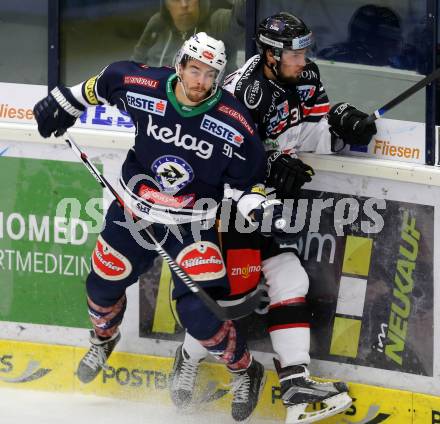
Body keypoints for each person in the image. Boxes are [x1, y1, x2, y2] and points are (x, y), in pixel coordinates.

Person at [32, 32, 297, 422]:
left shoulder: (234, 122)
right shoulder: (144, 86)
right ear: (180, 65)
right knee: (103, 282)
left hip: (191, 223)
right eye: (194, 70)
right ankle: (104, 339)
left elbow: (250, 183)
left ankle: (245, 369)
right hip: (135, 209)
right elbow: (104, 81)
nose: (200, 82)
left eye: (210, 75)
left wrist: (255, 203)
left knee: (200, 313)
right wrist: (66, 102)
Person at [172, 13, 377, 424]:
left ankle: (296, 383)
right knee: (234, 297)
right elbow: (219, 155)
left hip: (258, 202)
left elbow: (307, 129)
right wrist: (268, 166)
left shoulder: (306, 74)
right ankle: (187, 356)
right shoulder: (246, 93)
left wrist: (341, 126)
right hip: (224, 204)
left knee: (288, 277)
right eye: (294, 53)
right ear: (269, 54)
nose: (303, 60)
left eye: (304, 51)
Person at [131, 0, 244, 73]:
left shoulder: (218, 21)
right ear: (166, 5)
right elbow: (134, 65)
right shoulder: (158, 23)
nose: (184, 4)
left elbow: (241, 14)